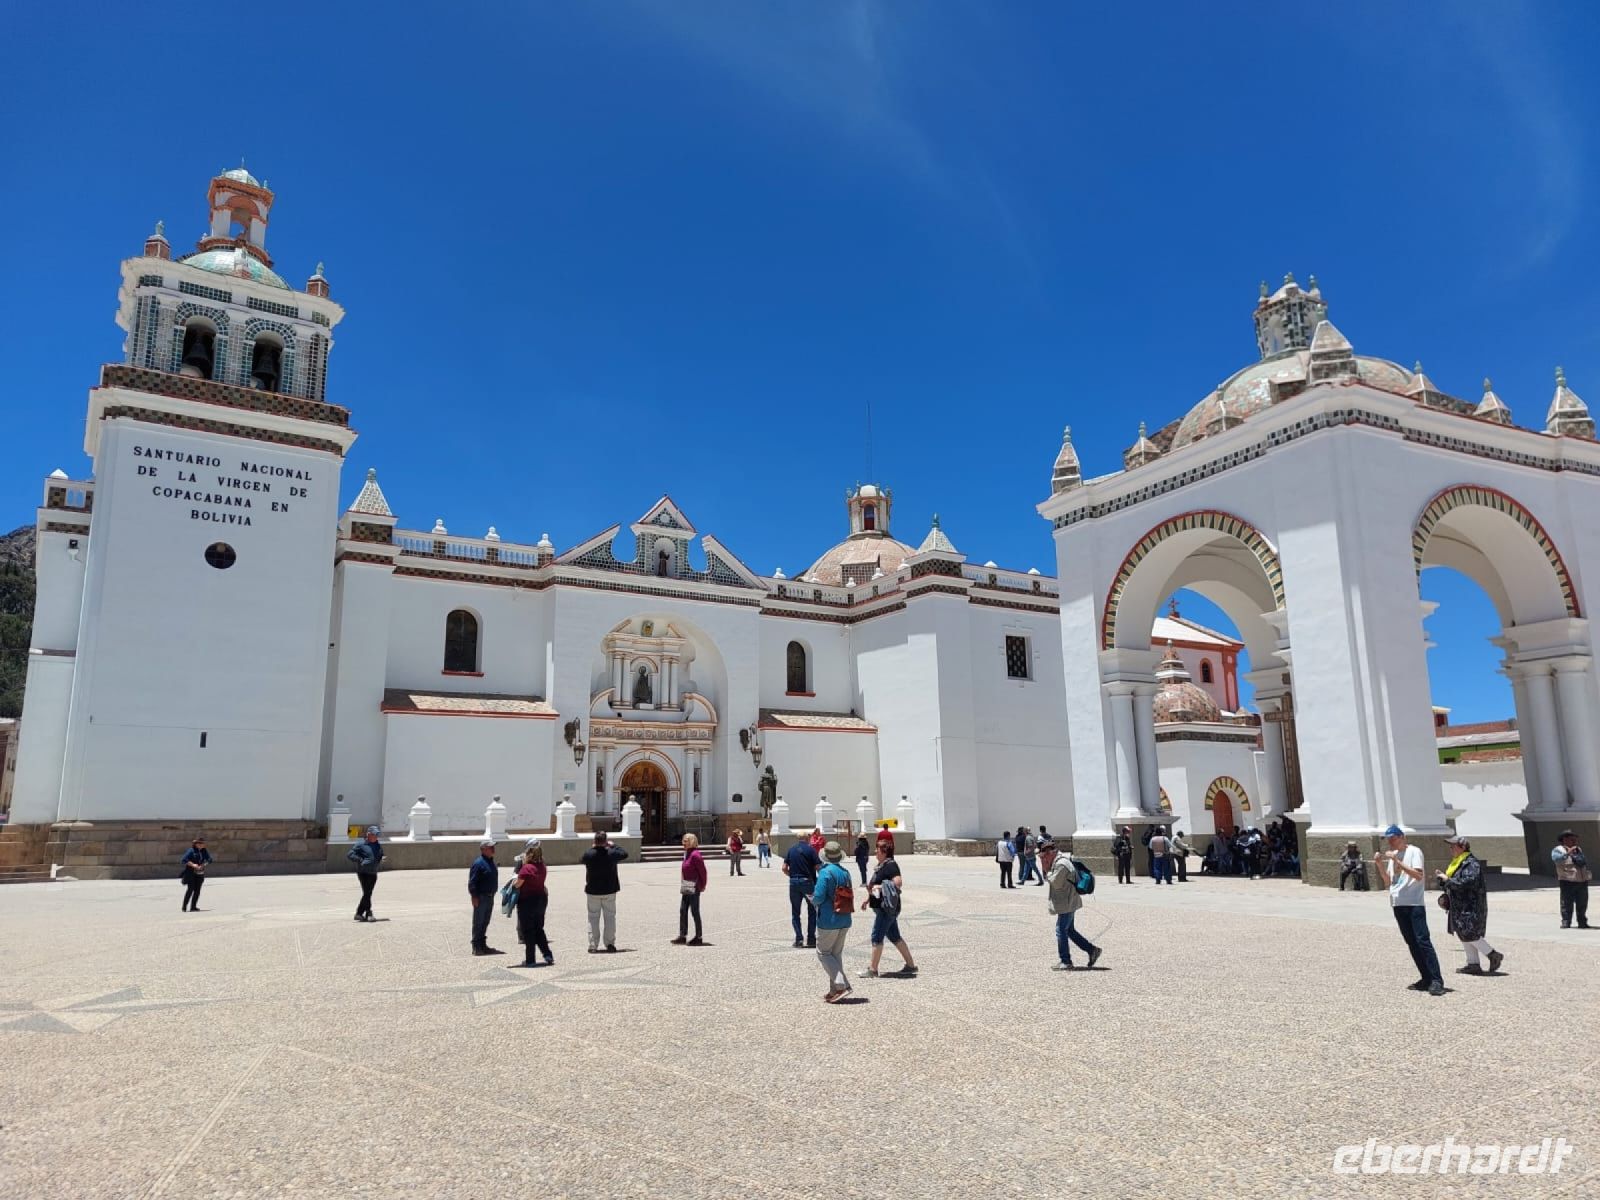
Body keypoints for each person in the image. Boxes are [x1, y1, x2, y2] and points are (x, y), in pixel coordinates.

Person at [1373, 824, 1443, 996]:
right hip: (1398, 903)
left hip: (1414, 903)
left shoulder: (1414, 852)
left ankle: (1436, 980)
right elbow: (1389, 881)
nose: (1391, 842)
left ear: (1402, 837)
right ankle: (1425, 977)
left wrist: (1397, 861)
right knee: (1411, 942)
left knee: (1423, 941)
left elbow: (1418, 875)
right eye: (1389, 839)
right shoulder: (1393, 856)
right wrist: (1380, 864)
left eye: (1394, 838)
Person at [1435, 833, 1503, 976]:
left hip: (1471, 906)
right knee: (1462, 932)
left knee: (1469, 933)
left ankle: (1492, 954)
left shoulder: (1471, 863)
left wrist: (1447, 880)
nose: (1451, 848)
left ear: (1463, 847)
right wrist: (1443, 880)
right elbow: (1455, 882)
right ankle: (1473, 964)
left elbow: (1468, 882)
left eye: (1453, 846)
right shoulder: (1458, 862)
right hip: (1460, 905)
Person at [1042, 841, 1102, 970]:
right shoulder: (1059, 861)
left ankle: (1066, 961)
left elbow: (1055, 883)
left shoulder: (1061, 864)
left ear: (1050, 852)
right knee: (1069, 930)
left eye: (1044, 856)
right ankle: (1092, 950)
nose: (1044, 859)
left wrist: (1047, 871)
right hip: (1068, 901)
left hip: (1067, 902)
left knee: (1060, 930)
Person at [862, 840, 916, 977]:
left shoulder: (891, 865)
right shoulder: (882, 865)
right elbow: (874, 885)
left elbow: (898, 883)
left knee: (877, 936)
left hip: (886, 909)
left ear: (884, 851)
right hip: (883, 907)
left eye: (877, 849)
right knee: (894, 936)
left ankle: (873, 970)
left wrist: (879, 887)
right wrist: (868, 899)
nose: (875, 851)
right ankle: (911, 965)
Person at [813, 841, 854, 1002]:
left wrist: (813, 900)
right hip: (845, 917)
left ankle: (842, 985)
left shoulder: (825, 872)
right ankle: (835, 990)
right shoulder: (845, 872)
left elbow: (819, 896)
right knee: (835, 955)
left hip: (829, 919)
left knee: (823, 953)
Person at [581, 830, 629, 953]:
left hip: (593, 891)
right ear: (606, 841)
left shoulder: (589, 854)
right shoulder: (612, 853)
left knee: (593, 918)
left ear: (594, 841)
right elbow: (624, 854)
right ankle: (610, 943)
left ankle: (593, 945)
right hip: (609, 890)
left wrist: (593, 847)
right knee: (610, 918)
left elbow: (583, 859)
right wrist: (614, 845)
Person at [512, 838, 553, 967]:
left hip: (527, 902)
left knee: (528, 931)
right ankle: (547, 954)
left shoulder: (526, 869)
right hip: (540, 899)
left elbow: (518, 884)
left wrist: (513, 882)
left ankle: (530, 960)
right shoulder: (542, 866)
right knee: (539, 929)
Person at [783, 832, 822, 948]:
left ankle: (799, 939)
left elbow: (784, 868)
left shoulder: (791, 850)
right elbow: (818, 867)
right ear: (807, 838)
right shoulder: (811, 850)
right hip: (808, 883)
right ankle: (811, 939)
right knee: (812, 911)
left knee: (795, 912)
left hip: (794, 883)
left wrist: (792, 876)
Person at [468, 839, 502, 956]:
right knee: (478, 922)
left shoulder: (491, 862)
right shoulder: (478, 863)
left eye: (493, 846)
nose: (493, 849)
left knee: (485, 922)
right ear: (483, 849)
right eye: (490, 847)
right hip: (481, 897)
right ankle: (476, 947)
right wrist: (474, 896)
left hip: (490, 897)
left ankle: (483, 944)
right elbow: (472, 882)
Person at [1551, 829, 1591, 929]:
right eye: (1571, 839)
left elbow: (1582, 862)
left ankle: (1582, 922)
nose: (1574, 841)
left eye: (1575, 839)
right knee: (1566, 902)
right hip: (1567, 881)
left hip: (1582, 881)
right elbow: (1556, 859)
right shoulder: (1558, 850)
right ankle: (1566, 922)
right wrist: (1567, 853)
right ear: (1564, 839)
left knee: (1582, 903)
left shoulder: (1578, 850)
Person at [673, 833, 707, 945]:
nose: (683, 842)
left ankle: (699, 936)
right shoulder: (686, 854)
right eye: (683, 840)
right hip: (687, 885)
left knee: (694, 911)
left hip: (695, 885)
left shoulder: (696, 855)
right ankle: (682, 935)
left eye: (686, 840)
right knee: (683, 910)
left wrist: (702, 885)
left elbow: (703, 872)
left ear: (692, 841)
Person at [348, 826, 384, 922]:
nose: (376, 836)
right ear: (368, 834)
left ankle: (359, 914)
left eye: (377, 835)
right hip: (363, 872)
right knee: (367, 893)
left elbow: (380, 854)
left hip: (373, 872)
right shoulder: (360, 844)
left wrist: (381, 858)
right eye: (374, 834)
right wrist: (360, 860)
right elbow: (350, 854)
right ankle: (368, 913)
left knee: (368, 893)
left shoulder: (377, 845)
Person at [178, 837, 212, 912]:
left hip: (200, 873)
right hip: (191, 873)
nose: (200, 844)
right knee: (190, 889)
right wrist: (193, 865)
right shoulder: (191, 851)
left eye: (202, 843)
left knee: (197, 890)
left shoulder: (204, 851)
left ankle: (193, 907)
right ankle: (184, 906)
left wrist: (203, 865)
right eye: (199, 843)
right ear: (195, 844)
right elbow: (184, 860)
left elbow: (210, 859)